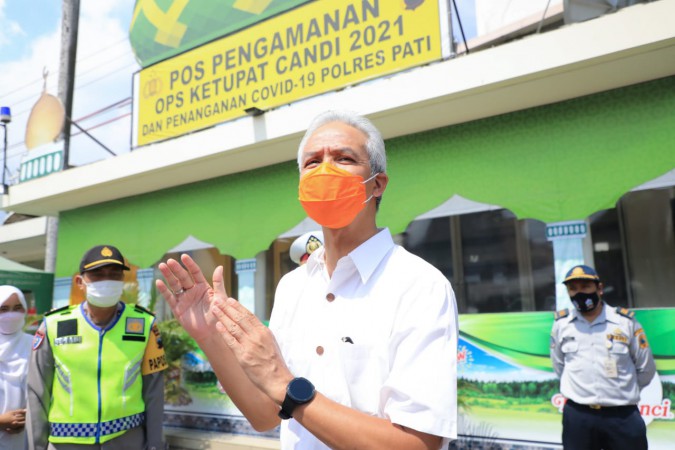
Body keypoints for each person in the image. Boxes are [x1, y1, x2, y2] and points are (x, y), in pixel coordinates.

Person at [156, 110, 458, 450]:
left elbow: (418, 444)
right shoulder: (293, 286)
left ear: (377, 183)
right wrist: (209, 335)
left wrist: (289, 390)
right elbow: (266, 415)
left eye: (344, 158)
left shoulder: (419, 285)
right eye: (313, 162)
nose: (326, 170)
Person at [27, 245, 167, 450]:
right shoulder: (53, 325)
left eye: (114, 275)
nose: (106, 281)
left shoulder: (145, 325)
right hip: (66, 444)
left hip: (127, 440)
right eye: (97, 275)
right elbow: (36, 393)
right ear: (80, 282)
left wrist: (155, 445)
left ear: (123, 280)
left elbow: (154, 393)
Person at [550, 264, 656, 450]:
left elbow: (645, 368)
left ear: (599, 289)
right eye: (573, 289)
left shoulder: (625, 323)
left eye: (585, 287)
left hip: (622, 416)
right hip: (578, 416)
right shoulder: (562, 325)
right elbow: (559, 366)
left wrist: (621, 390)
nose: (579, 293)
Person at [0, 286, 33, 449]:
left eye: (17, 308)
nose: (11, 314)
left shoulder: (35, 344)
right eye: (3, 309)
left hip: (25, 436)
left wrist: (29, 417)